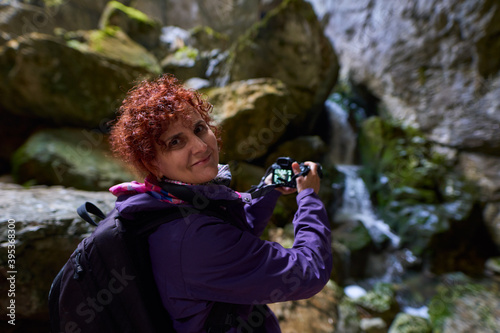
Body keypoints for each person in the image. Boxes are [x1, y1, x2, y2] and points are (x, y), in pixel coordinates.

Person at [108, 74, 332, 332]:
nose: (201, 146)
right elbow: (307, 272)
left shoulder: (163, 201)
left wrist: (267, 190)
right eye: (176, 142)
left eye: (199, 128)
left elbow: (233, 236)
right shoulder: (192, 238)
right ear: (152, 163)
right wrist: (309, 199)